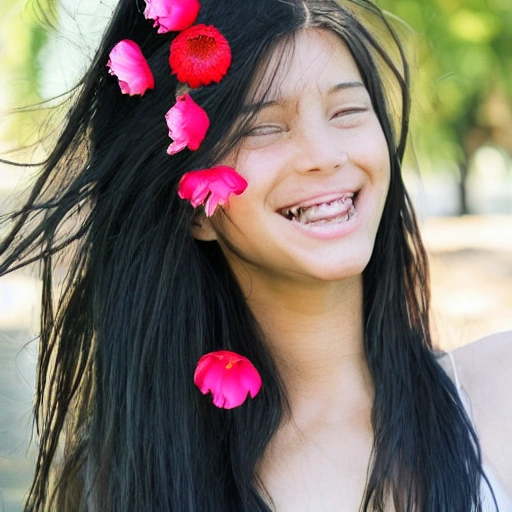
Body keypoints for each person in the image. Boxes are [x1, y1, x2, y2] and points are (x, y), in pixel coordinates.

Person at [0, 0, 511, 510]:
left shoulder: (499, 391)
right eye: (263, 126)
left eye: (348, 111)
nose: (325, 155)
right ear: (195, 209)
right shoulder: (123, 482)